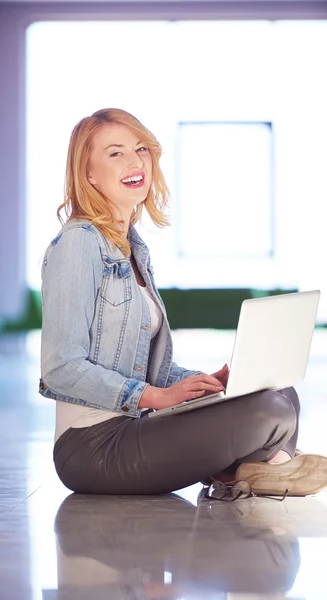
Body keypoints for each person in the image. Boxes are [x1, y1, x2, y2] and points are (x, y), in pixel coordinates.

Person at [39, 108, 327, 496]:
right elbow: (61, 368)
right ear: (88, 173)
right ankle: (264, 467)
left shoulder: (132, 250)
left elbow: (145, 366)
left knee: (279, 395)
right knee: (269, 413)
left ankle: (252, 470)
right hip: (92, 445)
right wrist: (154, 397)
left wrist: (204, 385)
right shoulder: (78, 243)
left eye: (140, 148)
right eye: (115, 152)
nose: (135, 160)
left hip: (134, 426)